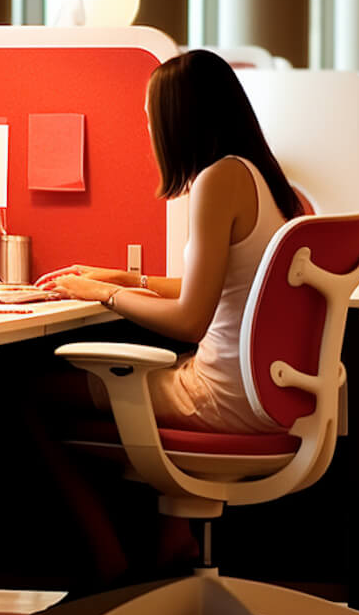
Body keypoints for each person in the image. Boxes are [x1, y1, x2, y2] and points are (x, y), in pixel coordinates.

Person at [35, 48, 304, 435]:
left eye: (150, 118)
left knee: (30, 393)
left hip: (219, 395)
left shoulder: (218, 180)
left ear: (176, 121)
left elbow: (191, 321)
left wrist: (99, 293)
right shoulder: (255, 174)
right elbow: (217, 289)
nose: (149, 130)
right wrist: (129, 280)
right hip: (261, 390)